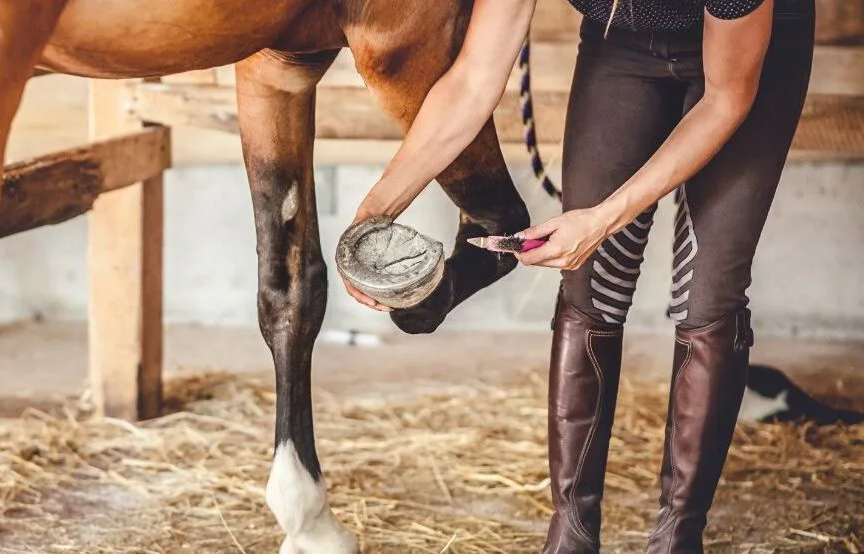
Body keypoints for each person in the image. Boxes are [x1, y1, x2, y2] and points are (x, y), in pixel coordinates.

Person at [341, 0, 815, 551]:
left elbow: (726, 99)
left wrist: (601, 219)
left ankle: (678, 535)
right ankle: (572, 528)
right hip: (623, 43)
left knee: (707, 292)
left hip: (746, 60)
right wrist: (375, 211)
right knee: (590, 285)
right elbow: (472, 81)